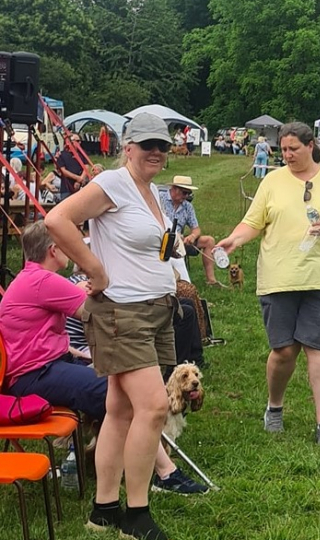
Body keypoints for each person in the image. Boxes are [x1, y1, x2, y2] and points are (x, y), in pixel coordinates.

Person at [0, 225, 207, 511]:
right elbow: (98, 312)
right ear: (53, 250)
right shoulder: (42, 281)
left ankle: (151, 468)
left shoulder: (31, 278)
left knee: (121, 389)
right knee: (117, 394)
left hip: (42, 366)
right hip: (34, 375)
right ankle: (163, 472)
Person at [45, 112, 182, 540]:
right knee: (154, 407)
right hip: (123, 313)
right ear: (127, 147)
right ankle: (136, 516)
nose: (156, 151)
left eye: (162, 144)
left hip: (155, 310)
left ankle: (103, 509)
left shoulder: (151, 190)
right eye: (147, 145)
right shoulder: (114, 183)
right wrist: (95, 272)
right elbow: (56, 220)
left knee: (120, 410)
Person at [216, 122, 320, 445]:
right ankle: (275, 407)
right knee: (284, 350)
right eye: (282, 150)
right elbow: (253, 222)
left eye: (293, 149)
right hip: (279, 277)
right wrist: (234, 240)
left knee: (319, 349)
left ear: (311, 146)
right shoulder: (272, 181)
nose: (287, 155)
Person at [159, 175, 224, 287]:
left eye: (189, 194)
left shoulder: (187, 206)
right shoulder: (159, 199)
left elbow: (196, 228)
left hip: (181, 240)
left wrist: (193, 236)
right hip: (162, 238)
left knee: (209, 241)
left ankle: (211, 280)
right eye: (184, 193)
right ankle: (179, 280)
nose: (186, 196)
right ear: (174, 189)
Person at [55, 135, 88, 201]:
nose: (79, 143)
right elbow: (63, 171)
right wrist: (77, 178)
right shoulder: (62, 154)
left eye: (80, 141)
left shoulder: (82, 154)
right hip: (66, 188)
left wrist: (79, 180)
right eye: (77, 141)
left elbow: (86, 168)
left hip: (81, 187)